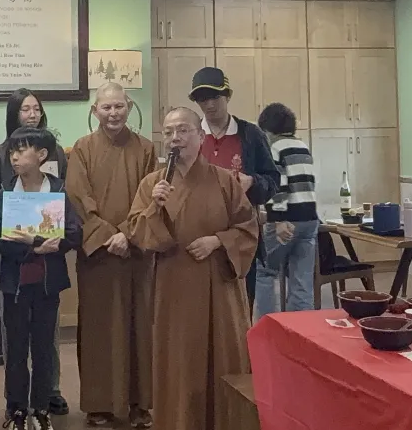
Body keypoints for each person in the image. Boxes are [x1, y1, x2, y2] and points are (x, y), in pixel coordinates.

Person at [125, 107, 258, 430]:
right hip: (172, 286)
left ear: (200, 136)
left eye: (183, 130)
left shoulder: (224, 180)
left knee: (222, 357)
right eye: (169, 132)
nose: (175, 138)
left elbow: (249, 228)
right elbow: (137, 232)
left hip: (218, 286)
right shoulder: (152, 184)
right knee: (178, 361)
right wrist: (154, 208)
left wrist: (217, 241)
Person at [65, 83, 156, 428]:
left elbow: (149, 199)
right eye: (106, 108)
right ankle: (99, 404)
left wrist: (128, 234)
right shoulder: (83, 150)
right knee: (98, 327)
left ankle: (139, 403)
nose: (113, 113)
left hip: (134, 253)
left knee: (137, 326)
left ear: (129, 106)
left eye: (119, 106)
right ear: (95, 110)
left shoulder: (146, 149)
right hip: (99, 256)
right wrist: (107, 234)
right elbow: (78, 197)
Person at [0, 88, 69, 417]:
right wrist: (22, 235)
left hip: (48, 265)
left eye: (36, 108)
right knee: (13, 334)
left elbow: (67, 214)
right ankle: (14, 402)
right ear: (13, 114)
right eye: (24, 109)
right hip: (13, 261)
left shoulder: (55, 160)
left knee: (47, 333)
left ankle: (48, 393)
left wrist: (56, 239)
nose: (31, 114)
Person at [0, 127, 82, 430]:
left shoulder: (58, 190)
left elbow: (74, 232)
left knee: (43, 348)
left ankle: (41, 407)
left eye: (22, 150)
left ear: (41, 156)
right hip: (15, 282)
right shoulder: (6, 191)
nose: (14, 156)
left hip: (46, 282)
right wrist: (32, 246)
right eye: (12, 151)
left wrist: (57, 243)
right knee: (15, 349)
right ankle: (16, 409)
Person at [188, 67, 278, 307]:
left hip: (240, 238)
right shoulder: (190, 135)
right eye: (202, 99)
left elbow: (273, 181)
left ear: (228, 96)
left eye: (215, 97)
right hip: (197, 240)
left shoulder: (251, 135)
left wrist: (252, 182)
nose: (209, 105)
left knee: (239, 309)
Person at [253, 103, 319, 319]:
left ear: (267, 128)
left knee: (264, 272)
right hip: (309, 219)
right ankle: (300, 329)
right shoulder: (302, 146)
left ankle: (268, 326)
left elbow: (278, 184)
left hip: (286, 219)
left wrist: (278, 219)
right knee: (301, 279)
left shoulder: (274, 147)